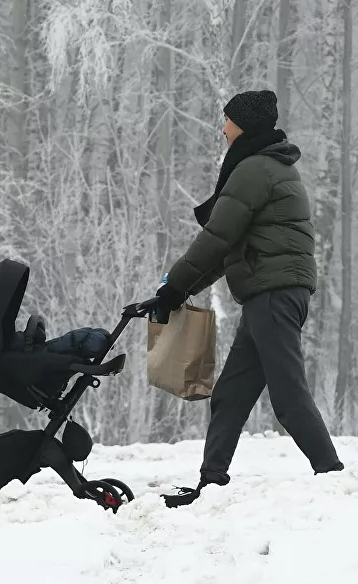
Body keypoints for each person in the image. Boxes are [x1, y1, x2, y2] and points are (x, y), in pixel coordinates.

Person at [145, 90, 342, 506]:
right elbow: (230, 246)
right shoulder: (268, 166)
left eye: (228, 121)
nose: (223, 128)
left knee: (288, 396)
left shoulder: (255, 168)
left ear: (245, 126)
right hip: (268, 294)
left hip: (273, 295)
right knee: (231, 394)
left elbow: (215, 237)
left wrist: (174, 286)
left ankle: (332, 476)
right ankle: (211, 480)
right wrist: (179, 289)